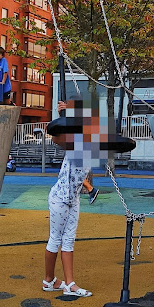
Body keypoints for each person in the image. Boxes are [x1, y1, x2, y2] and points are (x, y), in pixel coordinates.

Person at [43, 100, 92, 297]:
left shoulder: (90, 149)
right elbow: (56, 136)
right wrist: (64, 112)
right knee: (55, 239)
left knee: (69, 240)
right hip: (59, 198)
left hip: (72, 199)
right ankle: (48, 280)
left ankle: (69, 284)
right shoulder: (75, 144)